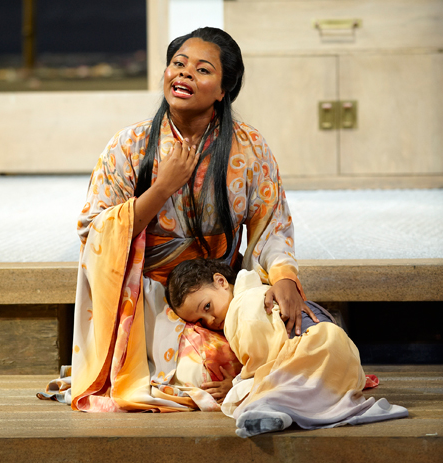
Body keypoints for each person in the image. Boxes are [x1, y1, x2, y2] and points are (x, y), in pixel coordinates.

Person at [69, 26, 321, 413]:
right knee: (204, 369)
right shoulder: (128, 146)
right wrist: (160, 189)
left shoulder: (250, 148)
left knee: (302, 338)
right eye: (178, 64)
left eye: (203, 70)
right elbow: (94, 230)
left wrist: (285, 278)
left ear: (223, 90)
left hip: (220, 294)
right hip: (147, 297)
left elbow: (273, 225)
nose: (185, 73)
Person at [166, 259, 409, 437]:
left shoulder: (243, 306)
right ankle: (277, 411)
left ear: (221, 282)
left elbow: (264, 355)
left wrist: (238, 385)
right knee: (290, 386)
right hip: (338, 353)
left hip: (317, 344)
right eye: (200, 321)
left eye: (207, 307)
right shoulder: (252, 293)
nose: (209, 321)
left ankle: (269, 409)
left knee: (276, 388)